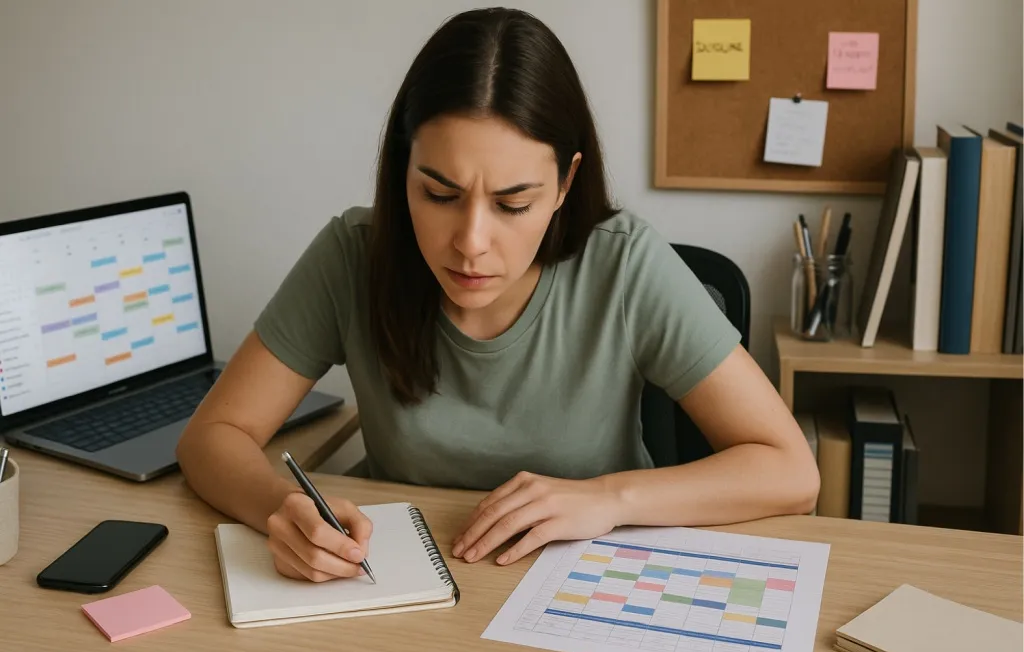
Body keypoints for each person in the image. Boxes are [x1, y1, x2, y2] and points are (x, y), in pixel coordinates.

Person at [176, 7, 819, 584]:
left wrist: (608, 498)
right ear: (403, 169)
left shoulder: (625, 265)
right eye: (439, 195)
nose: (471, 243)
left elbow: (790, 471)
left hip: (584, 587)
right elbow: (213, 436)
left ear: (566, 182)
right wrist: (278, 510)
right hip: (400, 585)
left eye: (514, 203)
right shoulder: (354, 253)